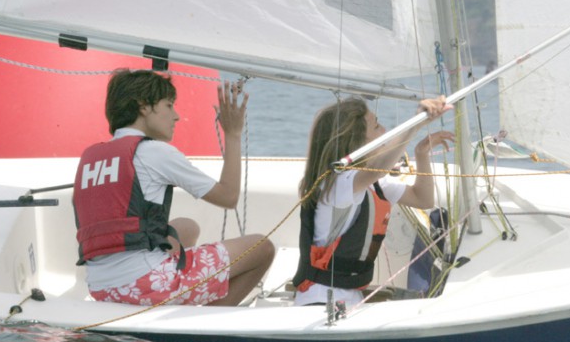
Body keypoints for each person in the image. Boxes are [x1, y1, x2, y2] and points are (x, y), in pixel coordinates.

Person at [73, 69, 275, 307]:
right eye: (169, 106)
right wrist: (232, 134)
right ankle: (206, 321)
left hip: (101, 288)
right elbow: (228, 197)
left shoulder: (91, 157)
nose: (176, 116)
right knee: (263, 247)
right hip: (146, 285)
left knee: (187, 227)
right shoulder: (154, 151)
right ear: (143, 107)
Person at [292, 96, 453, 308]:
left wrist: (421, 154)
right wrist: (416, 123)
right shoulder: (337, 184)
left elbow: (423, 199)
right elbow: (381, 167)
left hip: (350, 297)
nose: (384, 130)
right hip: (320, 301)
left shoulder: (371, 183)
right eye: (376, 126)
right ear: (358, 141)